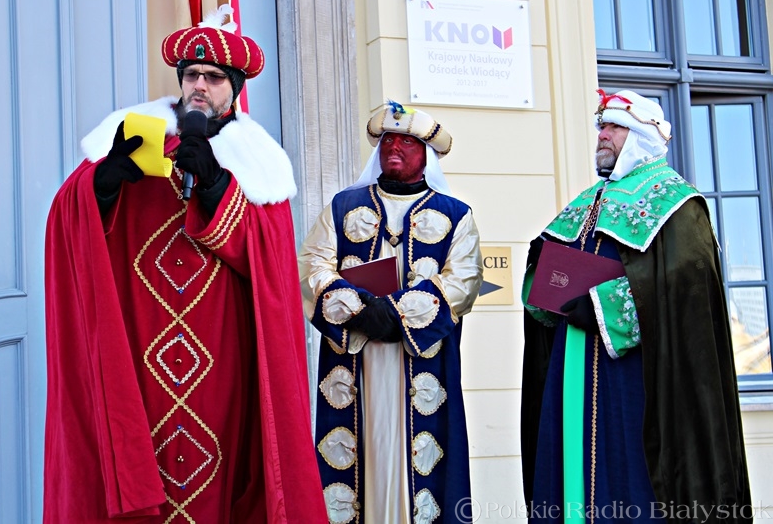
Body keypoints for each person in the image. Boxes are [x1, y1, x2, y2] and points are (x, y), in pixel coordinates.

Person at [43, 8, 327, 523]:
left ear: (234, 88)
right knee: (142, 457)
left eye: (213, 77)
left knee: (217, 471)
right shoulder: (133, 140)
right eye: (192, 74)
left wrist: (216, 186)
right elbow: (68, 219)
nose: (199, 85)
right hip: (139, 348)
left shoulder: (255, 161)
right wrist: (103, 182)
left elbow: (268, 263)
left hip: (222, 356)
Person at [521, 89, 752, 522]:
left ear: (641, 136)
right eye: (601, 127)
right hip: (572, 362)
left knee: (628, 479)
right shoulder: (587, 200)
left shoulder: (677, 202)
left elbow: (683, 284)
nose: (602, 135)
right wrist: (542, 279)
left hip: (636, 375)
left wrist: (602, 306)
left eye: (614, 127)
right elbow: (552, 267)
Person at [298, 101, 483, 523]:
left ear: (426, 155)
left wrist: (395, 314)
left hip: (422, 357)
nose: (393, 148)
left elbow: (463, 281)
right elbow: (312, 265)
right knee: (359, 449)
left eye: (406, 142)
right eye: (386, 140)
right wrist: (360, 310)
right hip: (355, 352)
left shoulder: (456, 215)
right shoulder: (343, 206)